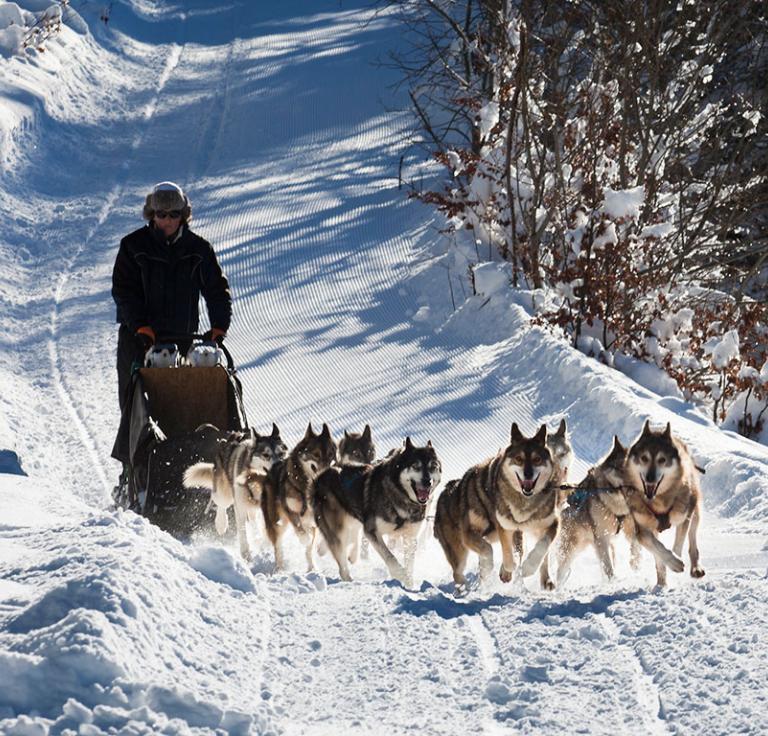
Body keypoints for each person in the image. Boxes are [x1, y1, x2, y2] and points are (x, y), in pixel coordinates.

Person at [111, 181, 232, 410]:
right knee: (134, 408)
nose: (167, 221)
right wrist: (140, 326)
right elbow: (124, 291)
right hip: (138, 339)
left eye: (174, 214)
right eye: (161, 214)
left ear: (183, 216)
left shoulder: (199, 250)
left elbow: (217, 290)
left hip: (182, 339)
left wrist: (219, 326)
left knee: (183, 406)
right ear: (151, 215)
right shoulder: (133, 247)